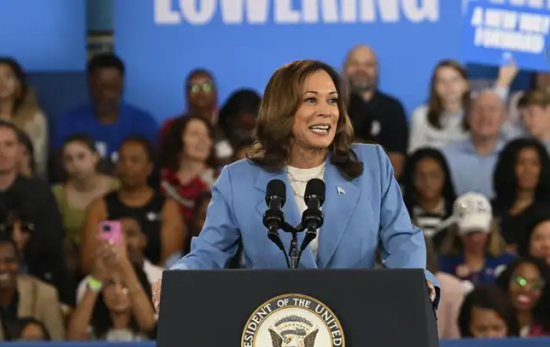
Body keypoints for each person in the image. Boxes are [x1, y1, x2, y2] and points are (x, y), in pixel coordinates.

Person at [154, 60, 437, 307]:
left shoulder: (371, 164)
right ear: (282, 109)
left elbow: (400, 237)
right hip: (275, 332)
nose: (326, 111)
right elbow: (209, 252)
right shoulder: (237, 180)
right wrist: (178, 278)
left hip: (357, 319)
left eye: (333, 100)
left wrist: (416, 278)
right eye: (311, 100)